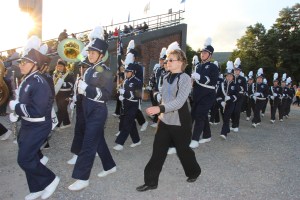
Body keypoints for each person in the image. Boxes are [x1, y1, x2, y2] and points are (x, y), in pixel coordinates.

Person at [136, 42, 201, 192]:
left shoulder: (185, 79)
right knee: (158, 151)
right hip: (164, 120)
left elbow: (179, 102)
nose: (168, 62)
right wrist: (156, 97)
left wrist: (159, 108)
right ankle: (151, 182)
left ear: (181, 62)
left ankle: (194, 172)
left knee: (183, 150)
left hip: (180, 121)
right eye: (167, 60)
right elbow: (165, 98)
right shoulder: (165, 77)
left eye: (171, 60)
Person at [9, 35, 60, 200]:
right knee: (29, 156)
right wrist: (17, 113)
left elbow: (37, 110)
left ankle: (51, 180)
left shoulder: (39, 81)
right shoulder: (27, 79)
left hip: (38, 125)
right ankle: (37, 187)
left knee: (24, 159)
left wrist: (16, 107)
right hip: (28, 124)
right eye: (21, 62)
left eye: (24, 62)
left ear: (34, 65)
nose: (21, 65)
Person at [68, 28, 116, 191]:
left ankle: (83, 178)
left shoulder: (107, 71)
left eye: (94, 53)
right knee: (98, 141)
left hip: (98, 111)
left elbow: (106, 95)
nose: (90, 55)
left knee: (88, 143)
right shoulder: (89, 69)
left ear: (101, 55)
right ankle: (109, 166)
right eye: (90, 52)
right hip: (87, 109)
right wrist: (78, 92)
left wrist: (86, 88)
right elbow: (84, 89)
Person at [190, 38, 219, 148]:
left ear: (210, 55)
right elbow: (195, 81)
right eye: (202, 52)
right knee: (197, 115)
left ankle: (195, 139)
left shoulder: (213, 67)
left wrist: (200, 77)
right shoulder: (198, 66)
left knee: (200, 115)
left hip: (207, 95)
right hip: (197, 95)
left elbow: (213, 81)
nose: (202, 54)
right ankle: (207, 135)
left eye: (205, 53)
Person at [67, 58, 92, 165]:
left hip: (90, 109)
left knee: (92, 132)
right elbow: (75, 91)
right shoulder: (79, 78)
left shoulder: (93, 79)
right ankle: (77, 153)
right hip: (81, 109)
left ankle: (91, 150)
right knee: (79, 130)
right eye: (81, 67)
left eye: (85, 67)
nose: (82, 69)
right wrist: (74, 100)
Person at [113, 63, 143, 151]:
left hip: (133, 105)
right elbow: (124, 92)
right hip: (126, 104)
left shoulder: (138, 81)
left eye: (128, 72)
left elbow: (137, 95)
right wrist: (120, 95)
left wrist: (125, 93)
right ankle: (136, 140)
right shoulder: (126, 80)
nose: (126, 73)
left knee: (126, 123)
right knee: (131, 123)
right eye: (126, 71)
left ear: (133, 72)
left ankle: (120, 143)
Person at [125, 40, 148, 132]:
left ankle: (143, 122)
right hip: (128, 88)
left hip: (136, 90)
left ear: (134, 57)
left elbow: (138, 80)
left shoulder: (136, 66)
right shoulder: (129, 65)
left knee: (136, 108)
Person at [216, 61, 238, 140]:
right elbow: (217, 95)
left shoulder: (235, 85)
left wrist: (230, 98)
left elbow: (236, 96)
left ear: (233, 76)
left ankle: (223, 133)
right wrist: (221, 101)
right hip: (222, 104)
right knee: (224, 117)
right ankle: (227, 129)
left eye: (230, 76)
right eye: (227, 76)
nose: (229, 77)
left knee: (226, 117)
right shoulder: (221, 84)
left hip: (231, 104)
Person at [53, 59, 74, 129]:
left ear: (64, 67)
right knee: (62, 109)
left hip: (66, 93)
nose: (59, 68)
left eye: (61, 66)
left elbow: (72, 85)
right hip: (58, 94)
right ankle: (67, 122)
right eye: (58, 66)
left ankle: (57, 124)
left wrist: (63, 83)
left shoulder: (68, 74)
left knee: (61, 109)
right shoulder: (55, 74)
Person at [230, 58, 247, 132]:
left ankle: (236, 126)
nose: (236, 71)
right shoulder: (231, 78)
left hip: (239, 96)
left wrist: (238, 87)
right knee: (232, 110)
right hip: (232, 96)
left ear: (240, 71)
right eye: (235, 70)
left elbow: (245, 89)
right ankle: (233, 124)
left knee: (237, 111)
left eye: (238, 70)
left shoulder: (242, 79)